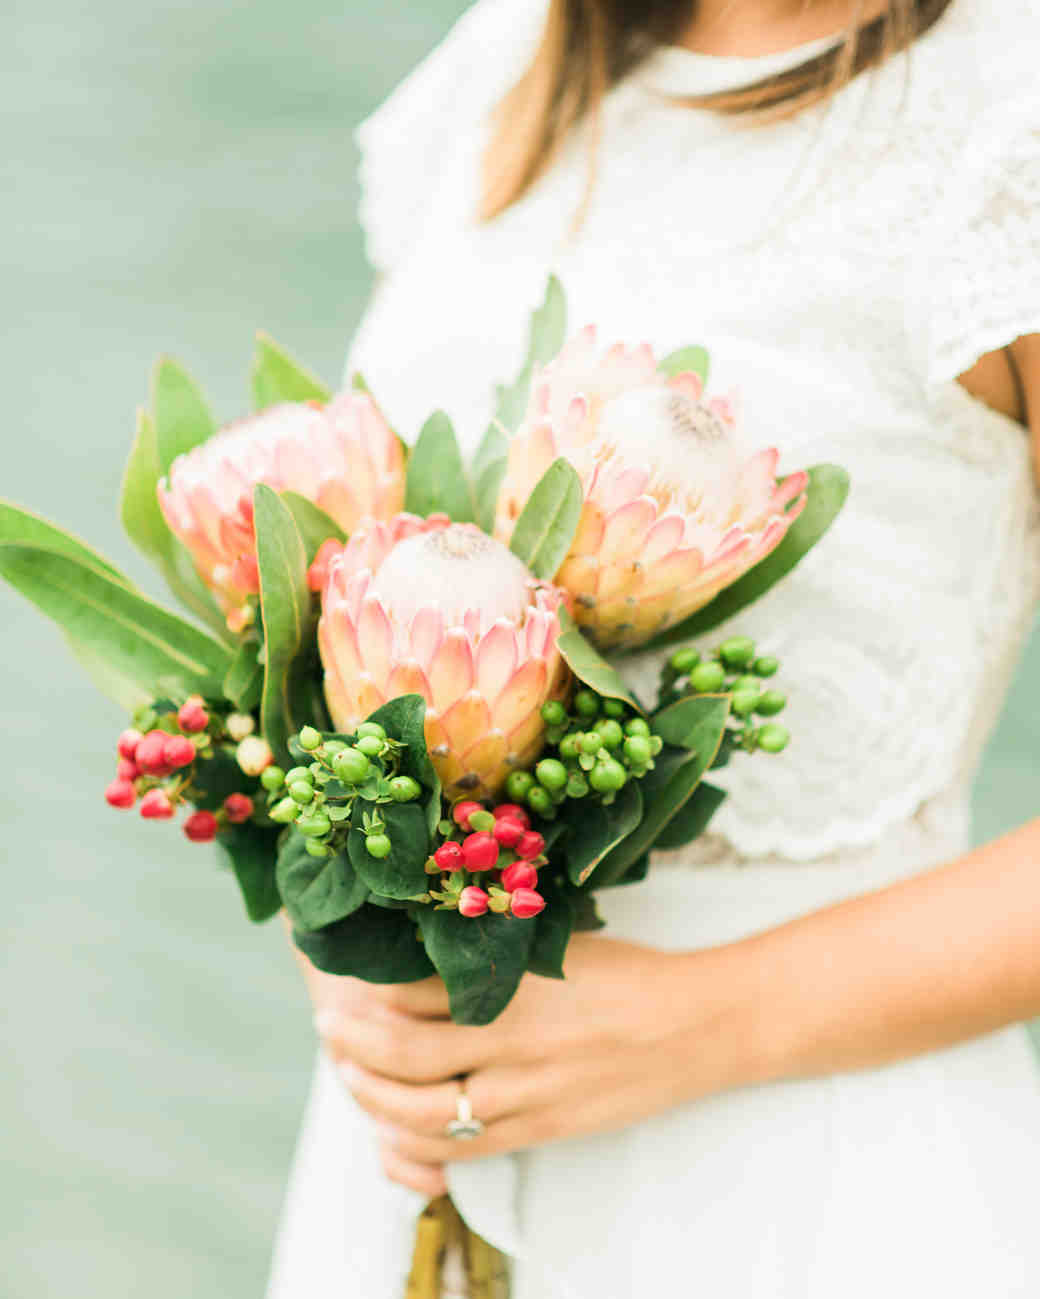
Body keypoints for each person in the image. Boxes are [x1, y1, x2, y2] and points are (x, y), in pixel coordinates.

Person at [266, 0, 1040, 1294]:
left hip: (818, 1176)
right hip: (399, 1159)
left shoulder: (1001, 119)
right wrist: (344, 905)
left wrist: (711, 1019)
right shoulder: (509, 65)